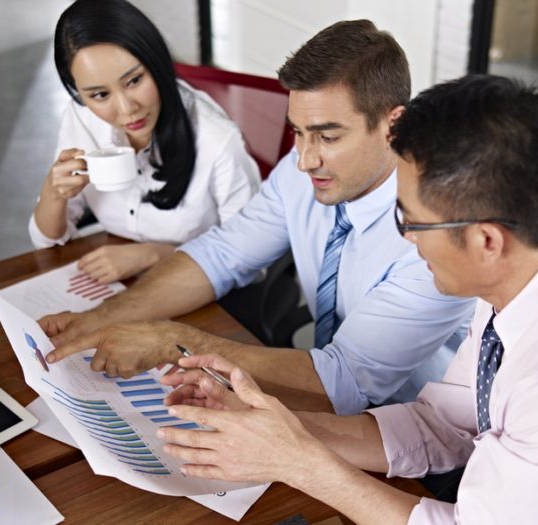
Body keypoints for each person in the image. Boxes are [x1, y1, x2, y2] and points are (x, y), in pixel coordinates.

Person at [156, 76, 538, 524]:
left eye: (410, 220)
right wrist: (278, 427)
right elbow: (444, 424)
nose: (404, 238)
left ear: (486, 240)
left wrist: (297, 462)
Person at [40, 20, 476, 414]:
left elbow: (346, 382)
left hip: (426, 432)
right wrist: (101, 317)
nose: (304, 160)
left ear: (392, 126)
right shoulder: (305, 170)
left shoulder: (433, 233)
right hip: (332, 400)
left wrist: (168, 343)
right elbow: (222, 253)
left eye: (327, 135)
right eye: (298, 132)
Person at [29, 0, 260, 283]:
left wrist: (156, 254)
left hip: (198, 284)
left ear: (157, 62)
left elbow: (251, 261)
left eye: (134, 80)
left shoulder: (217, 140)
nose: (127, 109)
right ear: (79, 93)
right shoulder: (81, 118)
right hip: (118, 278)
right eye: (100, 95)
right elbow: (49, 243)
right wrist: (54, 193)